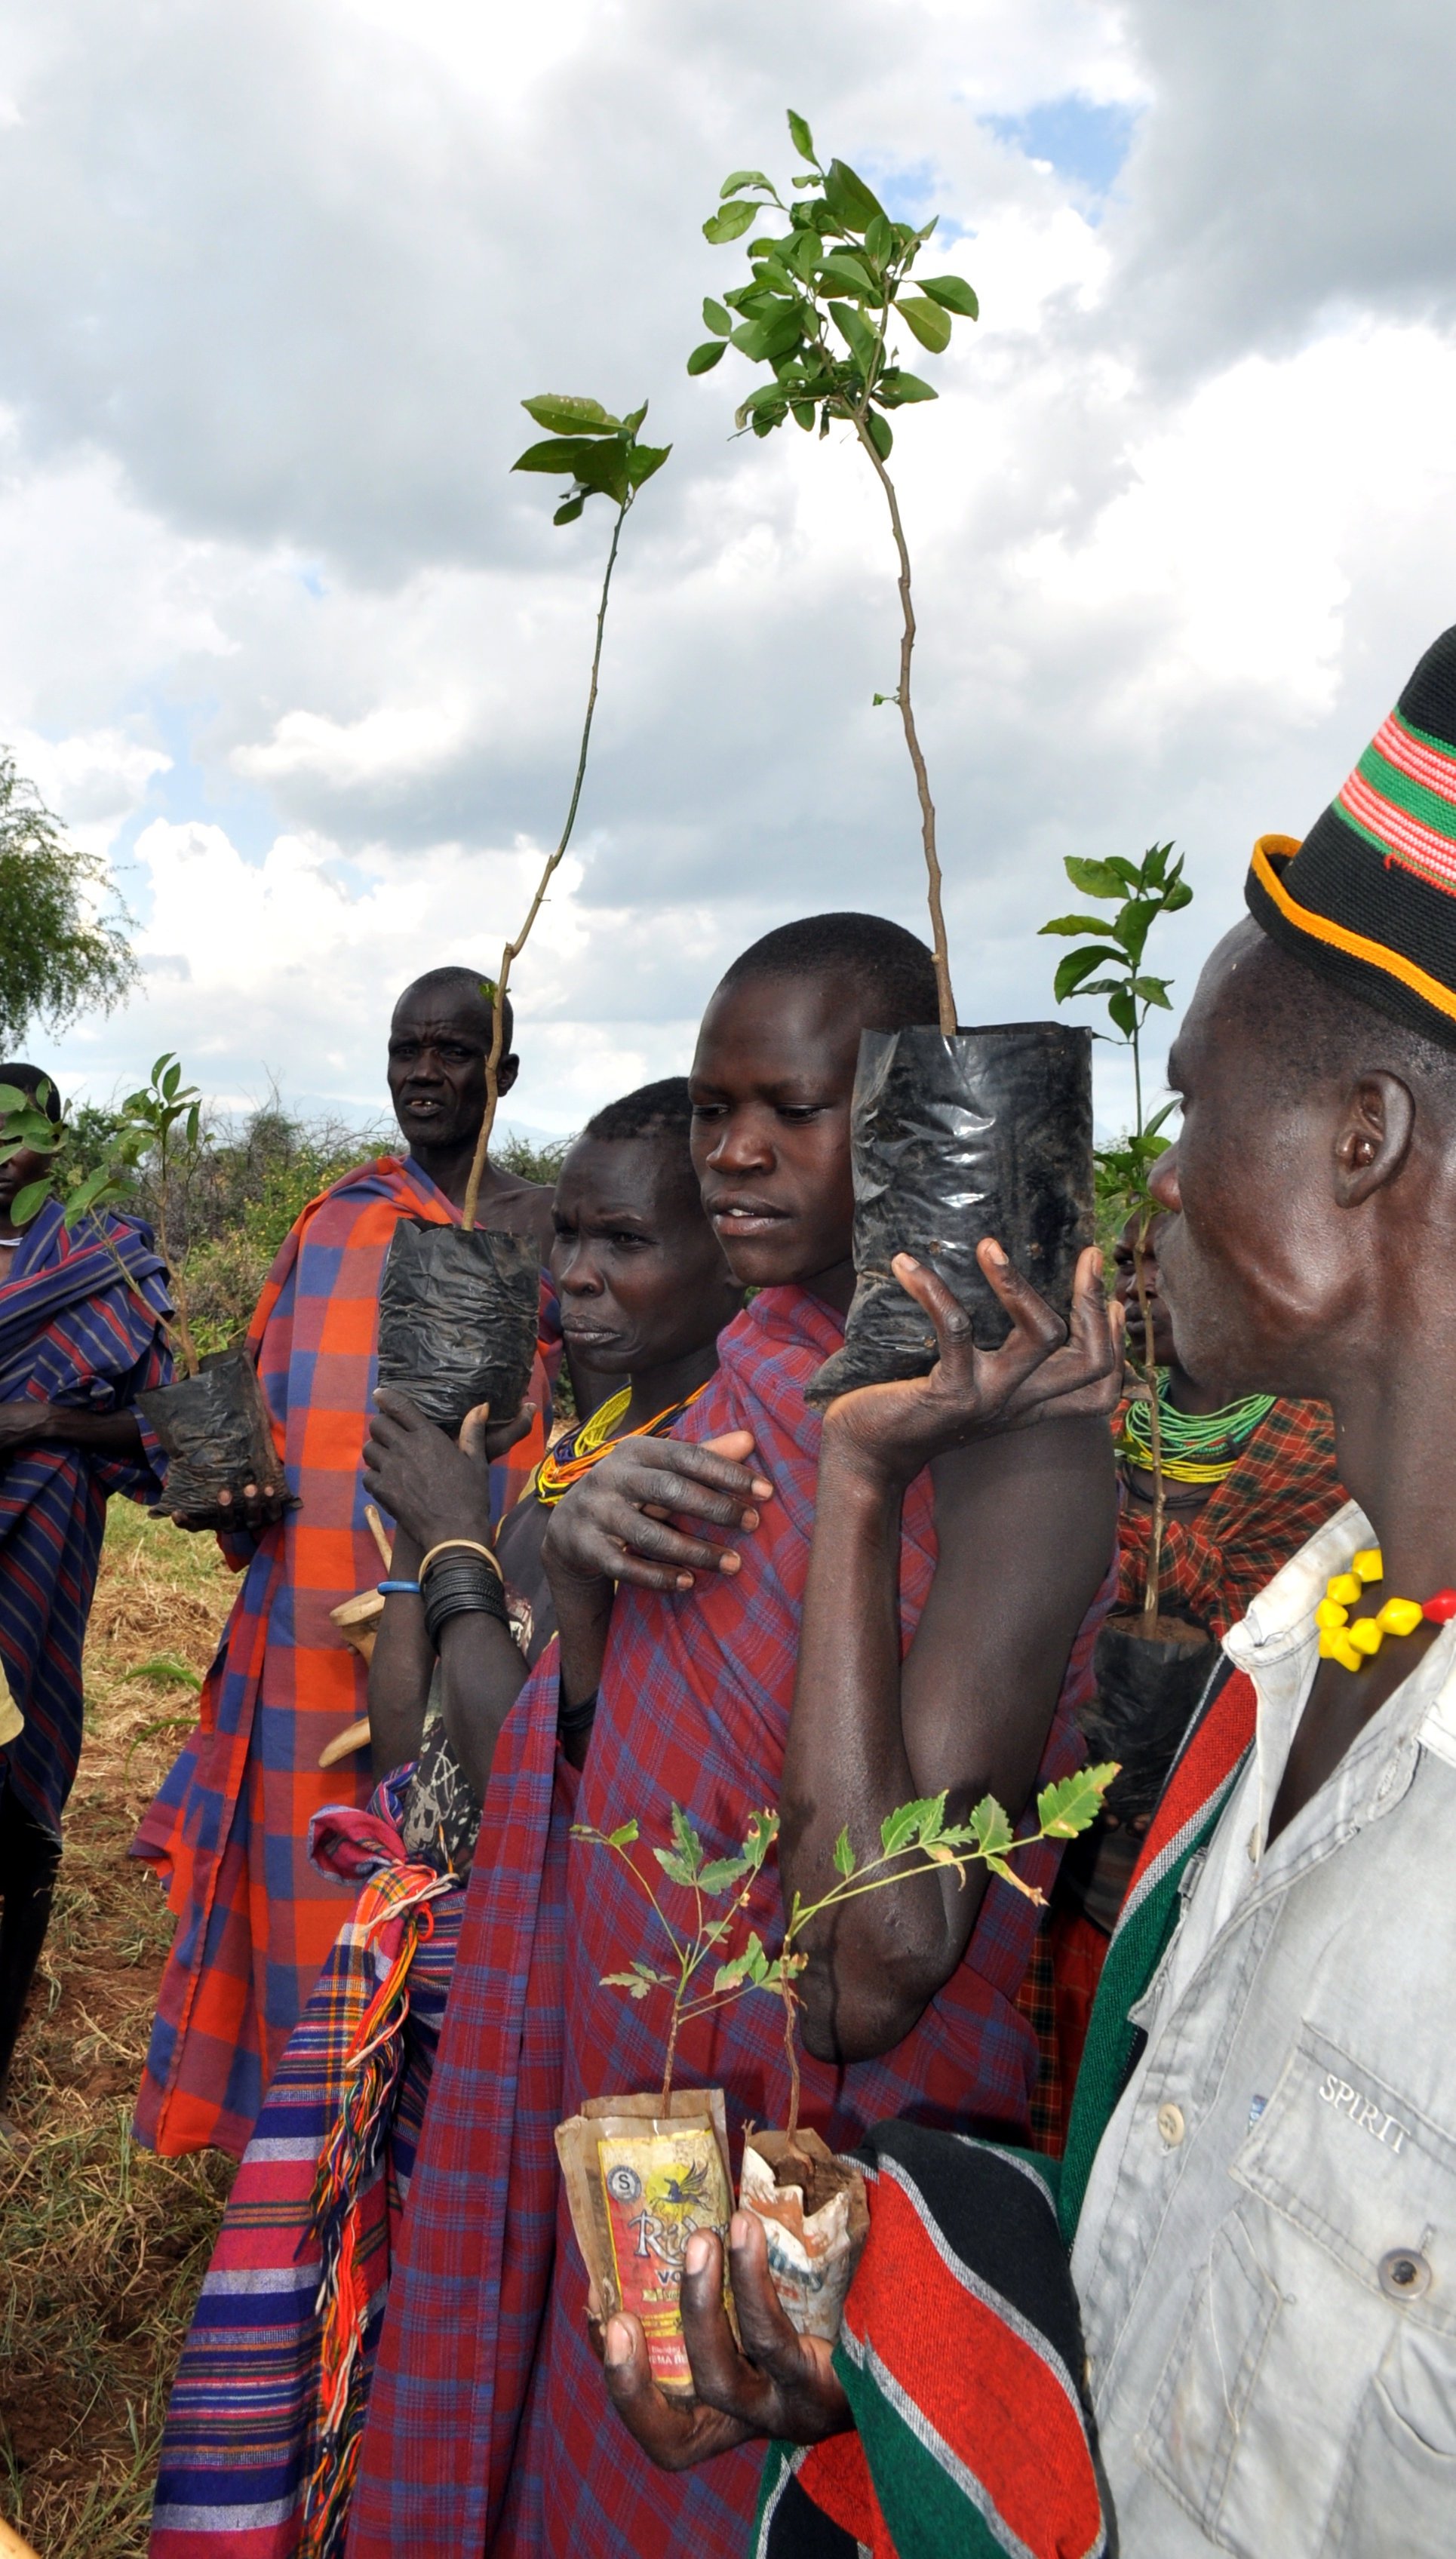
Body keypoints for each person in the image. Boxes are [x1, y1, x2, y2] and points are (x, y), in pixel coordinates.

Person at [599, 622, 1456, 2559]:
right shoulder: (1299, 1659)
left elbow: (861, 1954)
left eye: (1189, 1109)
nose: (1147, 1186)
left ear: (1357, 1144)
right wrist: (900, 2361)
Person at [346, 912, 1117, 2559]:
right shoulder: (735, 1384)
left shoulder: (1017, 1450)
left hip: (812, 2175)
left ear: (907, 1112)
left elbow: (877, 1958)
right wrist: (578, 1562)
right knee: (603, 2466)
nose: (736, 1153)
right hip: (630, 2110)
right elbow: (573, 1770)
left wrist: (855, 1476)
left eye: (792, 1106)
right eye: (709, 1111)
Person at [146, 1077, 744, 2559]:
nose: (578, 1279)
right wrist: (432, 1549)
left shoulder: (704, 1477)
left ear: (729, 1254)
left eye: (625, 1241)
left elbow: (547, 1777)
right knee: (452, 2390)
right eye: (570, 1243)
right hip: (474, 2023)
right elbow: (421, 1752)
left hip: (613, 2047)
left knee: (619, 2433)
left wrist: (466, 1537)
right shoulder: (578, 1454)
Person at [132, 968, 559, 2159]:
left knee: (446, 1886)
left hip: (474, 1619)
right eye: (405, 1048)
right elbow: (266, 1396)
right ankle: (295, 2152)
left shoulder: (539, 1231)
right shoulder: (333, 1219)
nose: (424, 1072)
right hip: (308, 1625)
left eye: (453, 1051)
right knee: (301, 1899)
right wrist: (230, 1484)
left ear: (503, 1074)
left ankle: (414, 2158)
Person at [0, 1063, 174, 2130]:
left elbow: (169, 1436)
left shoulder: (107, 1266)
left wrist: (45, 1424)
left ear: (57, 1144)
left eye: (15, 1128)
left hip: (33, 1575)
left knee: (14, 1802)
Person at [1109, 1211, 1344, 1641]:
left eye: (1168, 1258)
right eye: (1126, 1263)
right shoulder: (1101, 1428)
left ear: (1250, 1274)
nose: (1136, 1287)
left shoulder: (1326, 1446)